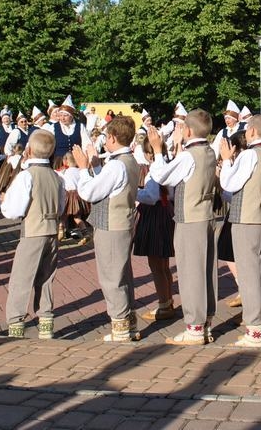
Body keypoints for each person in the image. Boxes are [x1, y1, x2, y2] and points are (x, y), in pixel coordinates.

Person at [147, 110, 219, 345]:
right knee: (205, 271)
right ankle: (205, 323)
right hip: (205, 216)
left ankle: (195, 328)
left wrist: (158, 150)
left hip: (190, 219)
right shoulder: (208, 150)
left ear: (187, 131)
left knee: (190, 273)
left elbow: (161, 176)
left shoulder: (189, 155)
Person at [70, 115, 141, 342]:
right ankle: (128, 322)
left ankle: (120, 327)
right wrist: (97, 166)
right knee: (122, 273)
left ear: (111, 137)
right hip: (122, 221)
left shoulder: (117, 165)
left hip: (112, 224)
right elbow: (110, 186)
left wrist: (82, 169)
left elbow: (90, 193)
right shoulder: (127, 160)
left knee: (112, 275)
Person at [218, 114, 261, 348]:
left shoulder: (250, 154)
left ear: (252, 131)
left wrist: (227, 161)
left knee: (249, 274)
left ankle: (254, 329)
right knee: (260, 271)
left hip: (246, 219)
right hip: (260, 217)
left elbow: (230, 184)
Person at [1, 130, 65, 340]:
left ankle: (16, 322)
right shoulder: (57, 177)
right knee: (46, 276)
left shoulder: (27, 175)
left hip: (33, 231)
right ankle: (46, 320)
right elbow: (62, 205)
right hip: (51, 231)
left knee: (21, 278)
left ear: (28, 150)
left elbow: (14, 210)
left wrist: (4, 203)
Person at [132, 135, 177, 325]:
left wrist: (133, 191)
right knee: (164, 264)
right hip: (166, 213)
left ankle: (163, 303)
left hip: (155, 215)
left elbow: (151, 196)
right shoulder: (169, 167)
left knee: (156, 264)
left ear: (148, 154)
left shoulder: (154, 172)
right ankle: (167, 301)